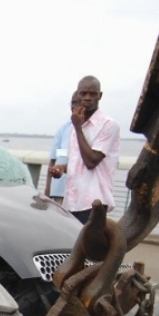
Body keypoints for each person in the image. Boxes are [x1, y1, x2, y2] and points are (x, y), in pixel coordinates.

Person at [63, 75, 120, 224]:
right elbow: (76, 163)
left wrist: (77, 127)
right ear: (78, 95)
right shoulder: (75, 125)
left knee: (87, 246)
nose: (87, 98)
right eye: (83, 94)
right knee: (71, 246)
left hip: (94, 201)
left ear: (100, 96)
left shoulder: (108, 125)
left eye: (93, 94)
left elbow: (91, 161)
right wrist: (60, 169)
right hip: (72, 200)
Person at [45, 92, 81, 204]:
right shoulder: (64, 129)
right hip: (59, 191)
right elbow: (53, 160)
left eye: (78, 103)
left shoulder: (91, 129)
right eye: (73, 103)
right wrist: (47, 189)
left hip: (79, 193)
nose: (74, 106)